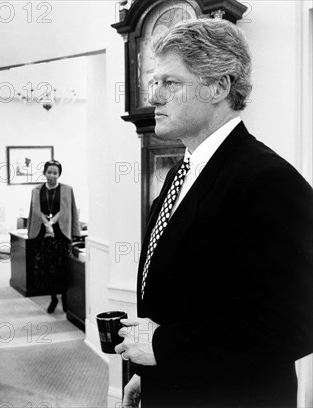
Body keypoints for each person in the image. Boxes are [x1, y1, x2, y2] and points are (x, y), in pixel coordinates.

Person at [114, 18, 313, 408]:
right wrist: (151, 373)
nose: (154, 96)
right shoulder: (180, 171)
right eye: (154, 83)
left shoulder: (269, 180)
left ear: (219, 86)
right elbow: (184, 296)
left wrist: (163, 347)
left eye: (170, 83)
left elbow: (296, 323)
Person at [27, 160, 81, 313]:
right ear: (44, 173)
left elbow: (68, 210)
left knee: (63, 268)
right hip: (43, 235)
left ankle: (64, 297)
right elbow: (35, 210)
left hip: (61, 235)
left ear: (59, 174)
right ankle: (53, 298)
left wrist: (53, 222)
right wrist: (46, 223)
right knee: (46, 268)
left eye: (55, 173)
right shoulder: (36, 190)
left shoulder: (67, 189)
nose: (51, 175)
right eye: (49, 172)